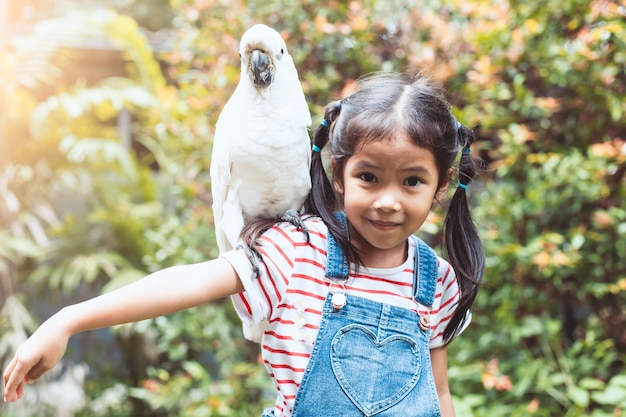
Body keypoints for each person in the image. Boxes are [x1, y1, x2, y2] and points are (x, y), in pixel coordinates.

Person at [3, 72, 484, 417]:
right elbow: (189, 281)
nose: (387, 201)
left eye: (412, 182)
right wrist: (67, 320)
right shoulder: (298, 251)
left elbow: (437, 393)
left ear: (441, 185)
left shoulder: (435, 283)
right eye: (369, 177)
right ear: (339, 175)